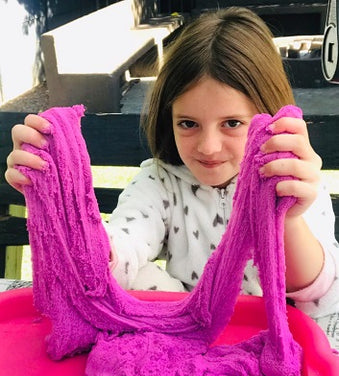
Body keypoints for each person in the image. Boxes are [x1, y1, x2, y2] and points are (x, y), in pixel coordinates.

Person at [4, 7, 339, 348]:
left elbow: (318, 295)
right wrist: (56, 196)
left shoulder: (297, 184)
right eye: (188, 123)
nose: (209, 147)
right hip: (183, 346)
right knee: (135, 277)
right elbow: (121, 250)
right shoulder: (161, 182)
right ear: (169, 118)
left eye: (232, 123)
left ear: (268, 117)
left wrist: (288, 219)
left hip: (268, 347)